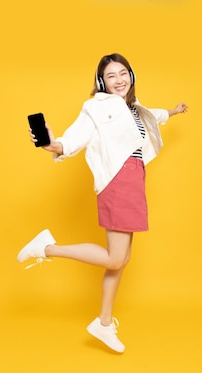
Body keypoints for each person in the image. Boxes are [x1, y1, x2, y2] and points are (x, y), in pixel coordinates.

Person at [17, 53, 188, 353]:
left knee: (121, 261)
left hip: (135, 181)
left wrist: (173, 111)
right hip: (118, 181)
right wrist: (52, 145)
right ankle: (45, 248)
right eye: (111, 75)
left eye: (123, 73)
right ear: (101, 82)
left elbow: (155, 115)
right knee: (114, 258)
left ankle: (104, 323)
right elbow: (72, 140)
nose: (119, 79)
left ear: (132, 76)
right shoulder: (95, 107)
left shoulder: (134, 108)